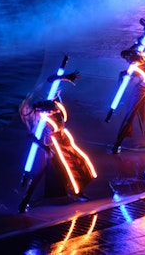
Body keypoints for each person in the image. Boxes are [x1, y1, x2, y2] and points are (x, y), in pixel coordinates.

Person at [18, 71, 97, 213]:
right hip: (50, 149)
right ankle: (25, 201)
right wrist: (45, 148)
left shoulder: (55, 105)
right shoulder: (42, 116)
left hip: (63, 144)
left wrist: (65, 78)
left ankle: (77, 192)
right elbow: (32, 135)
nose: (57, 92)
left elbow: (53, 80)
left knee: (77, 165)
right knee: (40, 172)